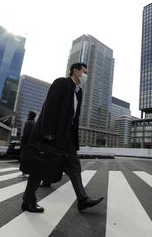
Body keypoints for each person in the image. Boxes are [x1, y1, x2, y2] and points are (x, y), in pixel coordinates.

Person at [21, 62, 104, 213]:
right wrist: (47, 132)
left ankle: (82, 200)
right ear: (75, 71)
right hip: (52, 133)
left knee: (74, 166)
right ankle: (28, 201)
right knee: (41, 166)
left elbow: (73, 117)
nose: (86, 76)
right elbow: (50, 107)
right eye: (84, 72)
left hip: (67, 136)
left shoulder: (78, 92)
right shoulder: (62, 83)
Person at [18, 111, 36, 178]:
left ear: (30, 116)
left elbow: (26, 134)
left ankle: (24, 173)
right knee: (29, 158)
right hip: (32, 144)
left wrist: (22, 141)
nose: (27, 116)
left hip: (26, 144)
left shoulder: (28, 123)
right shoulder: (35, 123)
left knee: (24, 158)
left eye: (28, 115)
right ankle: (29, 172)